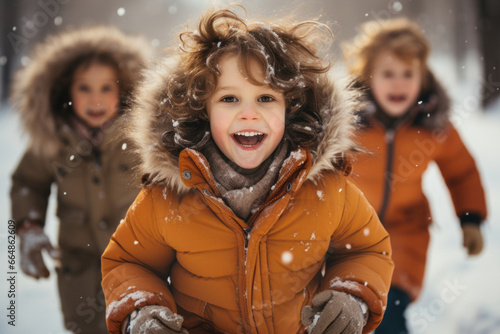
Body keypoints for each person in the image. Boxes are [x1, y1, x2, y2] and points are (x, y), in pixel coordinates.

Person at [101, 6, 394, 334]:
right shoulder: (169, 197)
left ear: (291, 109)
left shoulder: (326, 189)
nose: (249, 114)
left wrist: (351, 295)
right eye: (229, 99)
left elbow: (368, 249)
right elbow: (130, 262)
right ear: (203, 110)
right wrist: (143, 309)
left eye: (266, 98)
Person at [342, 18, 488, 333]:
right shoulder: (346, 125)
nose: (398, 83)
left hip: (404, 235)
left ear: (423, 78)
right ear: (368, 77)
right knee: (342, 310)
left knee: (388, 313)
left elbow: (461, 171)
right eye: (388, 74)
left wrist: (471, 218)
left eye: (408, 74)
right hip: (345, 234)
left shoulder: (433, 127)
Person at [10, 26, 151, 333]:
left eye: (106, 88)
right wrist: (28, 226)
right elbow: (27, 183)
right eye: (84, 88)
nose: (95, 99)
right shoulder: (52, 141)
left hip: (139, 263)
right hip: (81, 268)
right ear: (66, 91)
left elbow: (168, 181)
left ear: (124, 89)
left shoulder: (141, 136)